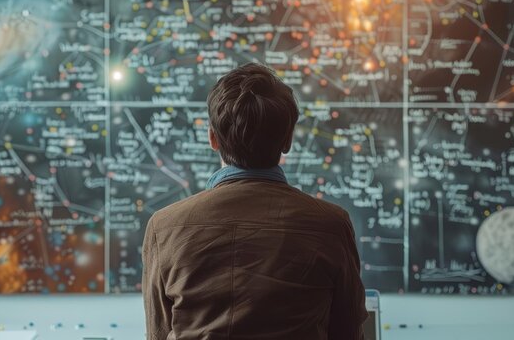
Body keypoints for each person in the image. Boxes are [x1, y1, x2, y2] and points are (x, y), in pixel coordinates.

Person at [142, 63, 367, 339]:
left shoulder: (164, 228)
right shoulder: (332, 225)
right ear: (288, 140)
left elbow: (158, 333)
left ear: (212, 138)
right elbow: (348, 332)